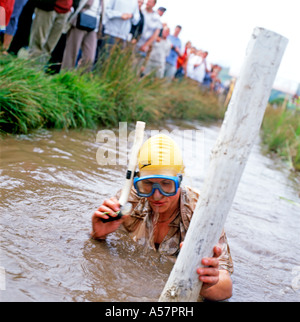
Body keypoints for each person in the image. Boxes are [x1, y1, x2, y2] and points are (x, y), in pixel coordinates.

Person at [91, 134, 233, 301]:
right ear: (138, 182)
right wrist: (98, 236)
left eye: (166, 184)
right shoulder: (130, 200)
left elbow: (226, 286)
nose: (157, 195)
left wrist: (206, 284)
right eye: (148, 184)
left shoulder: (202, 213)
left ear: (179, 180)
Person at [61, 0, 102, 72]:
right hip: (79, 20)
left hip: (94, 25)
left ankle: (80, 80)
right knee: (72, 52)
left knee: (89, 58)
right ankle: (65, 76)